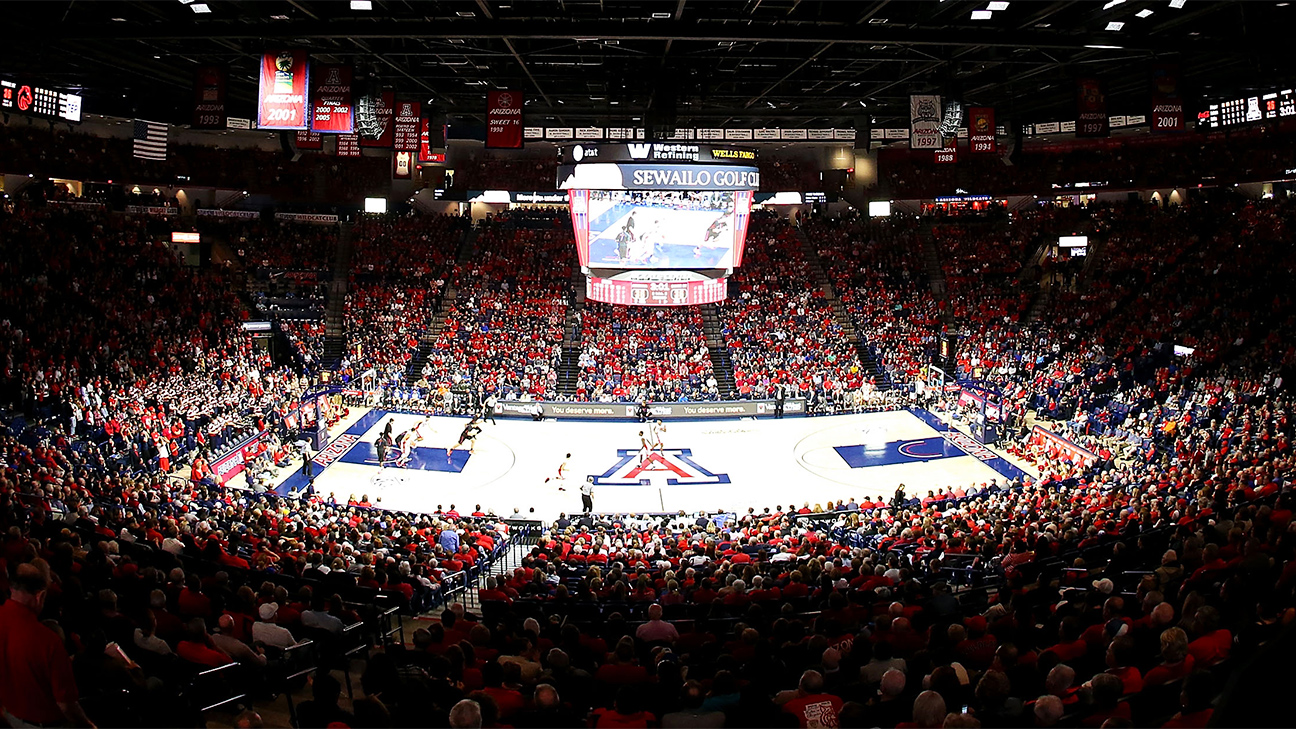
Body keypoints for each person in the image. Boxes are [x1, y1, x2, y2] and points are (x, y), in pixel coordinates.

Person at [0, 563, 95, 728]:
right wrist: (88, 725)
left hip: (6, 717)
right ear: (40, 595)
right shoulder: (49, 641)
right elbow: (66, 705)